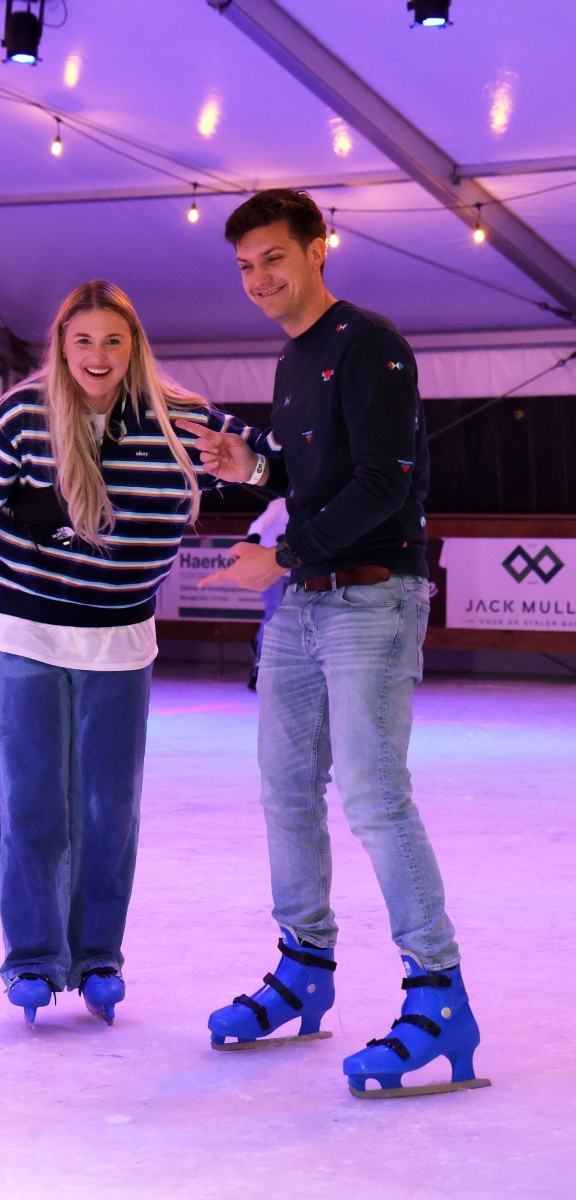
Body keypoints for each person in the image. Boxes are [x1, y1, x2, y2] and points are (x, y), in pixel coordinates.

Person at [0, 280, 255, 1030]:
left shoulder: (179, 416)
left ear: (133, 346)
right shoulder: (23, 416)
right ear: (61, 346)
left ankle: (98, 955)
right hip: (24, 639)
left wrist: (254, 469)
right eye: (83, 340)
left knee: (109, 808)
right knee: (31, 800)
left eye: (113, 340)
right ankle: (33, 958)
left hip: (120, 643)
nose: (98, 355)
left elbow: (274, 460)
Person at [177, 189, 489, 1099]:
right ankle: (303, 968)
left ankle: (438, 996)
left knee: (372, 795)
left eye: (273, 257)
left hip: (369, 599)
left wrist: (279, 555)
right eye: (244, 266)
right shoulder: (293, 358)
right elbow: (313, 475)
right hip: (303, 604)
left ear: (319, 249)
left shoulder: (369, 344)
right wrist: (254, 468)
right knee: (284, 790)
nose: (257, 279)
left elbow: (384, 483)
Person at [243, 496, 288, 690]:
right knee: (274, 612)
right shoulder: (280, 505)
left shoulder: (313, 503)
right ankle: (260, 664)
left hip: (297, 570)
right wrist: (252, 541)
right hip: (272, 568)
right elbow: (258, 525)